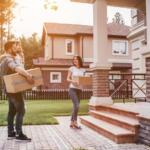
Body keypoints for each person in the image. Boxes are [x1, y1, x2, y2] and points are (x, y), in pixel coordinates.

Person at [0, 41, 34, 141]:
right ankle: (19, 134)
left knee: (12, 111)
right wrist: (28, 75)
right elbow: (16, 68)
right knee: (21, 110)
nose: (17, 48)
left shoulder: (5, 58)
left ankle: (10, 133)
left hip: (9, 88)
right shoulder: (7, 59)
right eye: (15, 47)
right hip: (14, 89)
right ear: (10, 48)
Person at [67, 55, 86, 129]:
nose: (75, 60)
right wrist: (73, 81)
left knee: (75, 106)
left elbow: (84, 80)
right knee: (77, 105)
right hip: (72, 89)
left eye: (76, 59)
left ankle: (72, 122)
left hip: (79, 90)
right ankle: (75, 122)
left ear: (79, 60)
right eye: (74, 59)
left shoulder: (83, 70)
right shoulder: (72, 68)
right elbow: (67, 78)